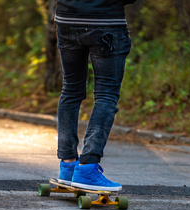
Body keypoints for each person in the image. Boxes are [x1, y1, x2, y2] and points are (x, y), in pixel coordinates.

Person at [55, 0, 136, 192]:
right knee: (106, 95)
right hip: (106, 21)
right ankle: (87, 168)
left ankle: (68, 166)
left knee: (70, 91)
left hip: (67, 20)